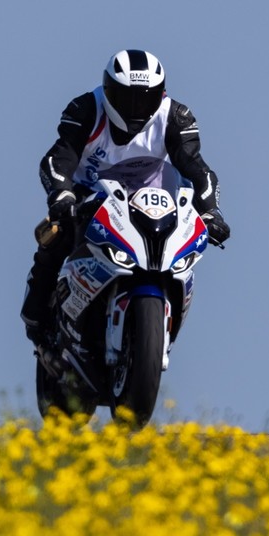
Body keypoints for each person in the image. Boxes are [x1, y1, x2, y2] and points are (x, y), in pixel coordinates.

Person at [21, 49, 230, 350]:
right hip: (87, 194)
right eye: (127, 98)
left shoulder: (175, 116)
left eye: (146, 98)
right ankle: (37, 320)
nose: (137, 108)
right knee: (55, 238)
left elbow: (197, 168)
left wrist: (211, 212)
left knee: (177, 246)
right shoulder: (85, 109)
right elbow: (58, 158)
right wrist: (61, 195)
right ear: (108, 92)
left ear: (161, 94)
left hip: (151, 198)